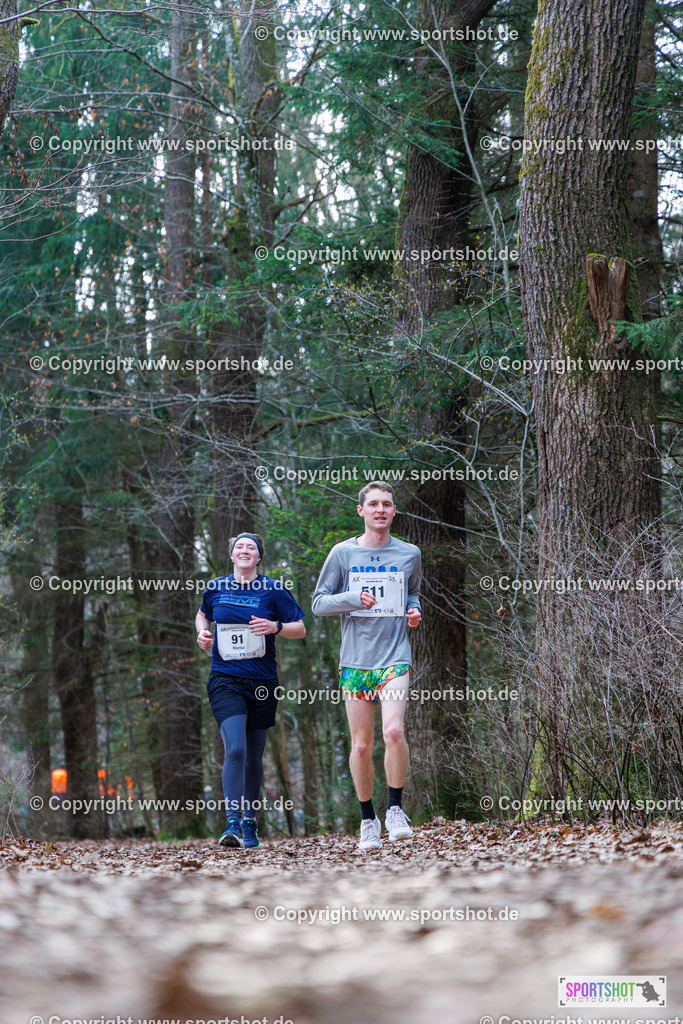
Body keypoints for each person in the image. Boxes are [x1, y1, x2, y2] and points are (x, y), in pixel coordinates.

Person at [312, 481, 421, 850]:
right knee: (361, 746)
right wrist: (351, 598)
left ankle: (394, 810)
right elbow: (318, 603)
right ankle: (367, 821)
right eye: (373, 504)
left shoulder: (409, 554)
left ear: (394, 511)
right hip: (356, 660)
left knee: (393, 732)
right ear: (361, 511)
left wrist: (415, 610)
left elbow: (414, 592)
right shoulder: (342, 554)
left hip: (395, 656)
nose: (380, 510)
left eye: (386, 504)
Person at [196, 533, 305, 849]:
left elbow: (300, 628)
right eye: (239, 547)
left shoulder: (273, 589)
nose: (245, 551)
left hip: (262, 683)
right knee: (237, 749)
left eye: (251, 548)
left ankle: (250, 822)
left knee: (255, 757)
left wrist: (276, 627)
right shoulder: (216, 587)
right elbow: (203, 614)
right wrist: (202, 633)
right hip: (225, 680)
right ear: (232, 555)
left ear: (259, 557)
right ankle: (231, 823)